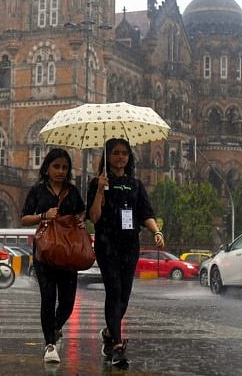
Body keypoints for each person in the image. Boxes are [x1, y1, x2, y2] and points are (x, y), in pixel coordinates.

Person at [87, 138, 164, 368]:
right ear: (107, 156)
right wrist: (100, 190)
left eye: (125, 153)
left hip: (130, 244)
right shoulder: (97, 183)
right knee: (114, 290)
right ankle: (118, 346)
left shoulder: (135, 185)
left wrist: (156, 231)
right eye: (116, 153)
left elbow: (145, 213)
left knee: (125, 295)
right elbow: (94, 217)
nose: (121, 157)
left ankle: (109, 333)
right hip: (107, 243)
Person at [21, 148, 86, 364]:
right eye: (56, 166)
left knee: (68, 302)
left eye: (64, 167)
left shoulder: (73, 192)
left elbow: (80, 214)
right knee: (48, 299)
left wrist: (79, 221)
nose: (60, 171)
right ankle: (49, 344)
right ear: (47, 168)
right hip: (45, 253)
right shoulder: (38, 191)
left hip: (68, 253)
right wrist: (43, 216)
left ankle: (55, 327)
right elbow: (24, 218)